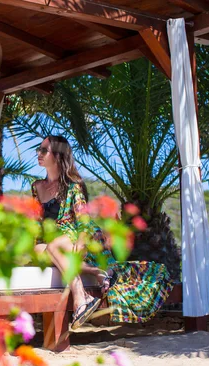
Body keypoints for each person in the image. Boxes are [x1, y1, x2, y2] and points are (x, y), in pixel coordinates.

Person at [33, 135, 173, 330]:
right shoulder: (37, 186)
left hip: (75, 235)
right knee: (39, 250)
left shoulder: (73, 186)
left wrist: (81, 243)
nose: (38, 154)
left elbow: (82, 221)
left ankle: (81, 298)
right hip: (54, 240)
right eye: (38, 150)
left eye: (43, 150)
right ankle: (95, 271)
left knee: (55, 246)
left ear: (57, 156)